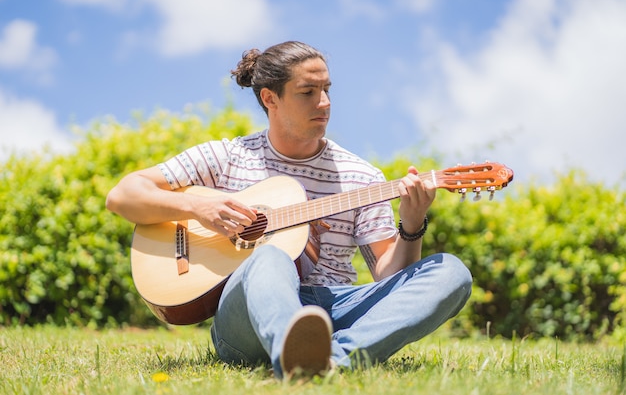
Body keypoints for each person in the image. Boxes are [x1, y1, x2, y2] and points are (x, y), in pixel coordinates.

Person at [106, 41, 472, 380]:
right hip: (245, 319)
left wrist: (411, 225)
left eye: (327, 89)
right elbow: (123, 195)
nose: (325, 102)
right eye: (308, 92)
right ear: (270, 99)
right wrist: (198, 206)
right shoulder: (227, 156)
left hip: (333, 308)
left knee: (452, 273)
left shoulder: (361, 176)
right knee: (270, 256)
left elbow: (388, 277)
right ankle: (292, 348)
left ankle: (329, 360)